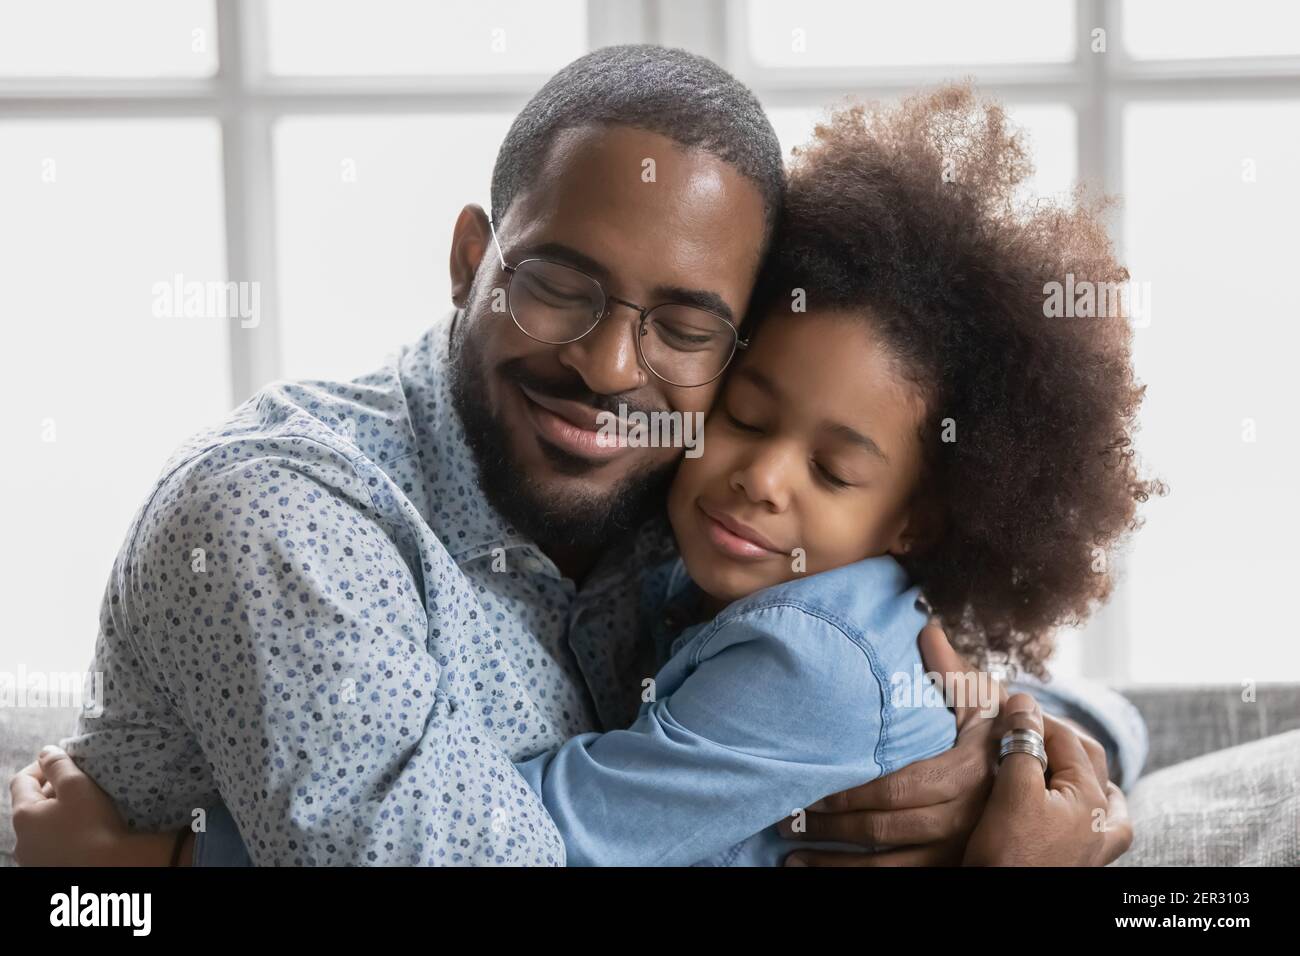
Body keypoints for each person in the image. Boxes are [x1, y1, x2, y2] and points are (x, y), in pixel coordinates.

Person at [8, 47, 1131, 867]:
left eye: (684, 327)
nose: (606, 365)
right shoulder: (276, 518)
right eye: (557, 285)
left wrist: (1021, 763)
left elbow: (955, 681)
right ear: (468, 257)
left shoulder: (679, 503)